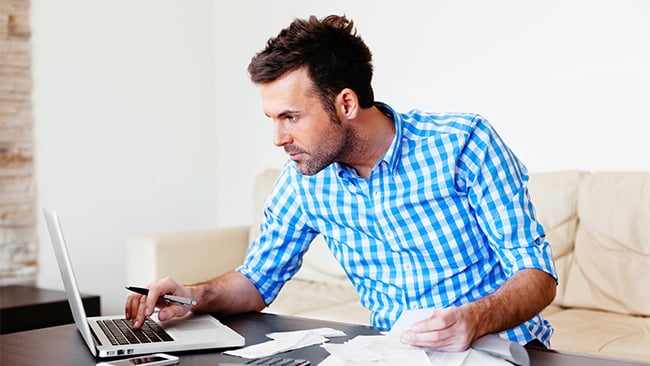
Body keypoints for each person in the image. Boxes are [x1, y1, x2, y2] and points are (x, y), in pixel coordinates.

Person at [125, 14, 557, 352]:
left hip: (500, 348)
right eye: (272, 120)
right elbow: (257, 281)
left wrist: (473, 320)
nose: (278, 138)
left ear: (345, 103)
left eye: (290, 117)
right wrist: (193, 296)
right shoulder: (304, 178)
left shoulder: (463, 143)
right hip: (396, 353)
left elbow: (537, 274)